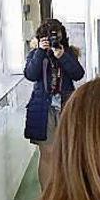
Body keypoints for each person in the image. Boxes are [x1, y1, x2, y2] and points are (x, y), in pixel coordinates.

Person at [24, 18, 84, 189]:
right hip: (43, 108)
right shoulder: (36, 54)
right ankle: (47, 195)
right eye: (48, 37)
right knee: (47, 153)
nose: (52, 40)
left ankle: (67, 192)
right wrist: (40, 52)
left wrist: (63, 56)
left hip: (67, 106)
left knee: (68, 152)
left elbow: (78, 74)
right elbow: (31, 75)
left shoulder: (67, 53)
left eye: (55, 36)